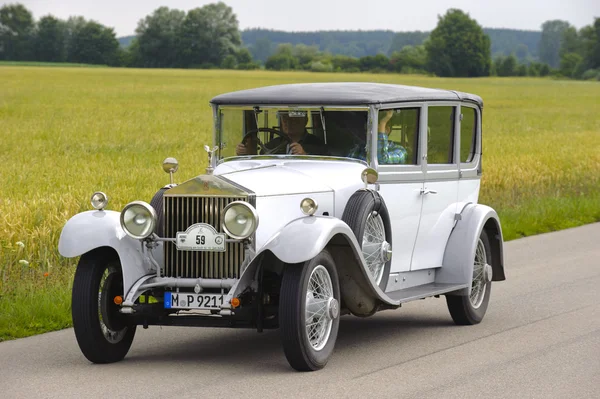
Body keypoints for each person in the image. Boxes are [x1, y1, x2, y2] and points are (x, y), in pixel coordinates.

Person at [236, 112, 326, 156]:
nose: (288, 122)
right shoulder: (273, 144)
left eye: (294, 120)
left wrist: (304, 155)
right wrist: (246, 153)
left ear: (305, 121)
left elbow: (322, 167)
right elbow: (262, 160)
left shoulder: (317, 144)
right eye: (285, 119)